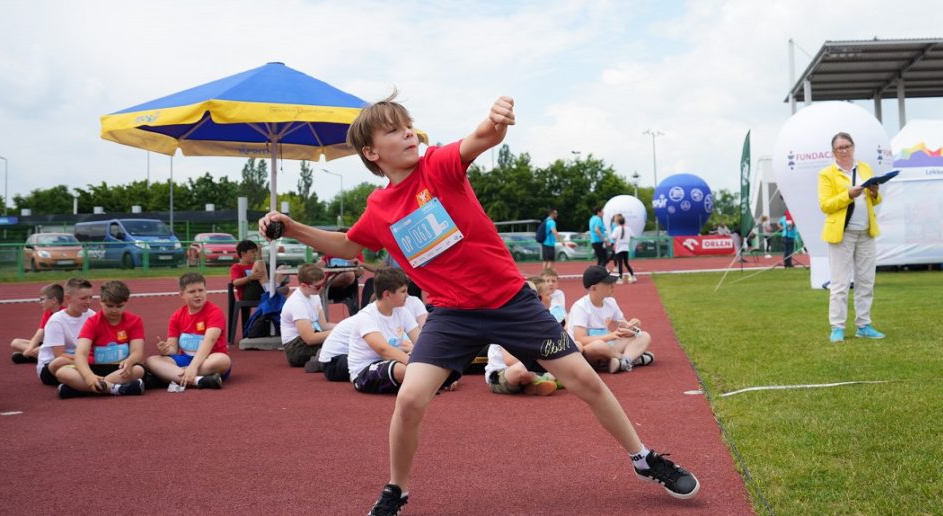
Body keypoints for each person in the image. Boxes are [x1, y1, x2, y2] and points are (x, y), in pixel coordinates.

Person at [259, 93, 699, 515]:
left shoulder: (438, 165)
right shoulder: (379, 209)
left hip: (512, 304)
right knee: (410, 398)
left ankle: (644, 459)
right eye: (395, 132)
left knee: (587, 381)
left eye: (409, 126)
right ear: (372, 153)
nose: (410, 135)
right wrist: (292, 226)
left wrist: (497, 117)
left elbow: (482, 139)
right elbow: (347, 245)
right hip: (452, 314)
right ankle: (396, 489)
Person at [818, 131, 886, 343]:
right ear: (833, 152)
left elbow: (875, 201)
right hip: (842, 234)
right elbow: (825, 205)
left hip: (866, 232)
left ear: (853, 147)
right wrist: (848, 195)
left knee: (866, 281)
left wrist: (874, 192)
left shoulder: (865, 168)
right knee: (840, 283)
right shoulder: (826, 174)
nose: (845, 150)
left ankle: (863, 325)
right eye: (840, 148)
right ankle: (837, 327)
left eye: (847, 146)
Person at [55, 281, 145, 398]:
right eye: (109, 306)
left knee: (138, 370)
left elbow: (137, 351)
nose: (114, 310)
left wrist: (130, 361)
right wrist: (88, 376)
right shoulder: (92, 322)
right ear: (101, 301)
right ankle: (114, 388)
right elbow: (81, 354)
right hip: (94, 366)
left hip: (119, 367)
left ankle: (82, 390)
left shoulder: (135, 321)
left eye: (119, 306)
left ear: (126, 302)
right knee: (62, 373)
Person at [339, 267, 422, 391]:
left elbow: (420, 342)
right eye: (403, 291)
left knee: (433, 361)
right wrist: (419, 368)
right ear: (387, 294)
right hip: (364, 371)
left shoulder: (402, 311)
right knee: (402, 370)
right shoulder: (366, 316)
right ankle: (425, 382)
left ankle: (423, 382)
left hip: (392, 362)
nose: (407, 295)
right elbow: (383, 350)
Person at [145, 273, 231, 389]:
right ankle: (198, 381)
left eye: (201, 290)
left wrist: (193, 367)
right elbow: (173, 349)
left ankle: (171, 376)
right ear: (182, 295)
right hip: (185, 360)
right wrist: (165, 350)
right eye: (192, 292)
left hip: (209, 359)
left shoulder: (215, 312)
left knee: (223, 360)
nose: (197, 295)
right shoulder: (176, 316)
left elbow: (209, 341)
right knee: (152, 360)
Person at [569, 265, 654, 374]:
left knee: (644, 336)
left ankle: (622, 362)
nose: (613, 285)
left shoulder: (611, 302)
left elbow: (624, 327)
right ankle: (631, 360)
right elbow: (580, 339)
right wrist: (609, 336)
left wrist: (634, 326)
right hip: (589, 352)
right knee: (598, 345)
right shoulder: (580, 307)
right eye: (607, 283)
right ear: (594, 288)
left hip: (609, 347)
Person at [36, 278, 95, 386]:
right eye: (83, 298)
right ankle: (101, 383)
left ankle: (77, 387)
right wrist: (86, 359)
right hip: (52, 366)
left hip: (80, 360)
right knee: (61, 362)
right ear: (68, 298)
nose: (89, 301)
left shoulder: (92, 315)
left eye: (91, 297)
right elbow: (59, 355)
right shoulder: (56, 321)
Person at [280, 263, 335, 368]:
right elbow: (309, 338)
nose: (321, 289)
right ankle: (322, 361)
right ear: (303, 285)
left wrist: (346, 326)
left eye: (323, 285)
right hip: (296, 348)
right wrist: (337, 332)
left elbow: (323, 325)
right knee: (340, 345)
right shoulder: (297, 303)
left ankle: (322, 360)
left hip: (308, 339)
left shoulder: (314, 295)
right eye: (318, 287)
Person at [9, 283, 63, 364]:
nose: (40, 302)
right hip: (48, 345)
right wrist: (30, 349)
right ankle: (38, 356)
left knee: (39, 350)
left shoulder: (64, 314)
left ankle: (36, 357)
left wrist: (31, 351)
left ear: (54, 301)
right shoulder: (47, 313)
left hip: (60, 345)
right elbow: (38, 335)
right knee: (15, 342)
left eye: (42, 299)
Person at [610, 214, 636, 283]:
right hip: (626, 248)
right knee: (626, 263)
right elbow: (633, 236)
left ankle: (620, 278)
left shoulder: (616, 228)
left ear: (618, 222)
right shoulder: (628, 228)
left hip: (619, 248)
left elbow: (613, 237)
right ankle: (633, 276)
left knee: (620, 264)